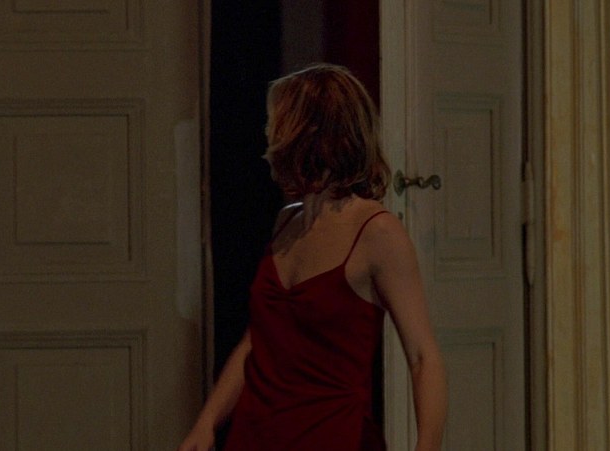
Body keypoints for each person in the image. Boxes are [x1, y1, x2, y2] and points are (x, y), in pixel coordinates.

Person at [179, 64, 447, 451]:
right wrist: (206, 424)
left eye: (277, 125)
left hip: (333, 437)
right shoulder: (287, 222)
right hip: (256, 435)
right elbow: (257, 341)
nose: (268, 136)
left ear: (309, 135)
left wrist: (428, 445)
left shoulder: (377, 233)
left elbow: (423, 356)